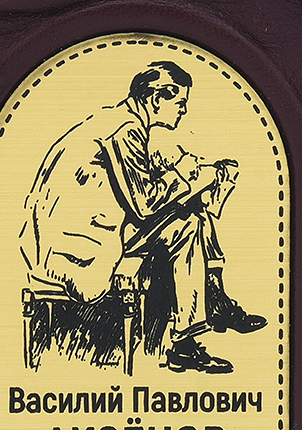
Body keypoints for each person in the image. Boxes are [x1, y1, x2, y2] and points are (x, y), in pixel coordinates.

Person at [19, 62, 265, 373]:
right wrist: (186, 176)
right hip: (79, 252)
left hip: (54, 240)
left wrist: (181, 178)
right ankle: (192, 333)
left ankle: (213, 303)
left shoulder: (112, 120)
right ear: (156, 98)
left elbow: (129, 186)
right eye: (180, 103)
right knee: (188, 223)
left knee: (190, 211)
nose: (184, 111)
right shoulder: (126, 129)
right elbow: (145, 205)